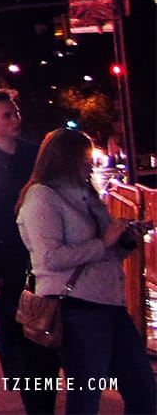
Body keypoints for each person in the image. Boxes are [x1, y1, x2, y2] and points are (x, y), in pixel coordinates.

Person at [17, 128, 155, 415]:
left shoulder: (87, 196)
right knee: (86, 397)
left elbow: (107, 253)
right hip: (77, 308)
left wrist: (125, 240)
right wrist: (104, 242)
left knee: (143, 390)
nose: (90, 164)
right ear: (64, 159)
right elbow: (49, 258)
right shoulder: (43, 197)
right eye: (84, 158)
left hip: (111, 305)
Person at [0, 89, 60, 414]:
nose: (15, 119)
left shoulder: (35, 155)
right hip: (10, 264)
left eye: (15, 112)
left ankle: (46, 395)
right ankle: (36, 402)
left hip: (45, 258)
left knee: (52, 332)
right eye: (7, 115)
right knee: (23, 337)